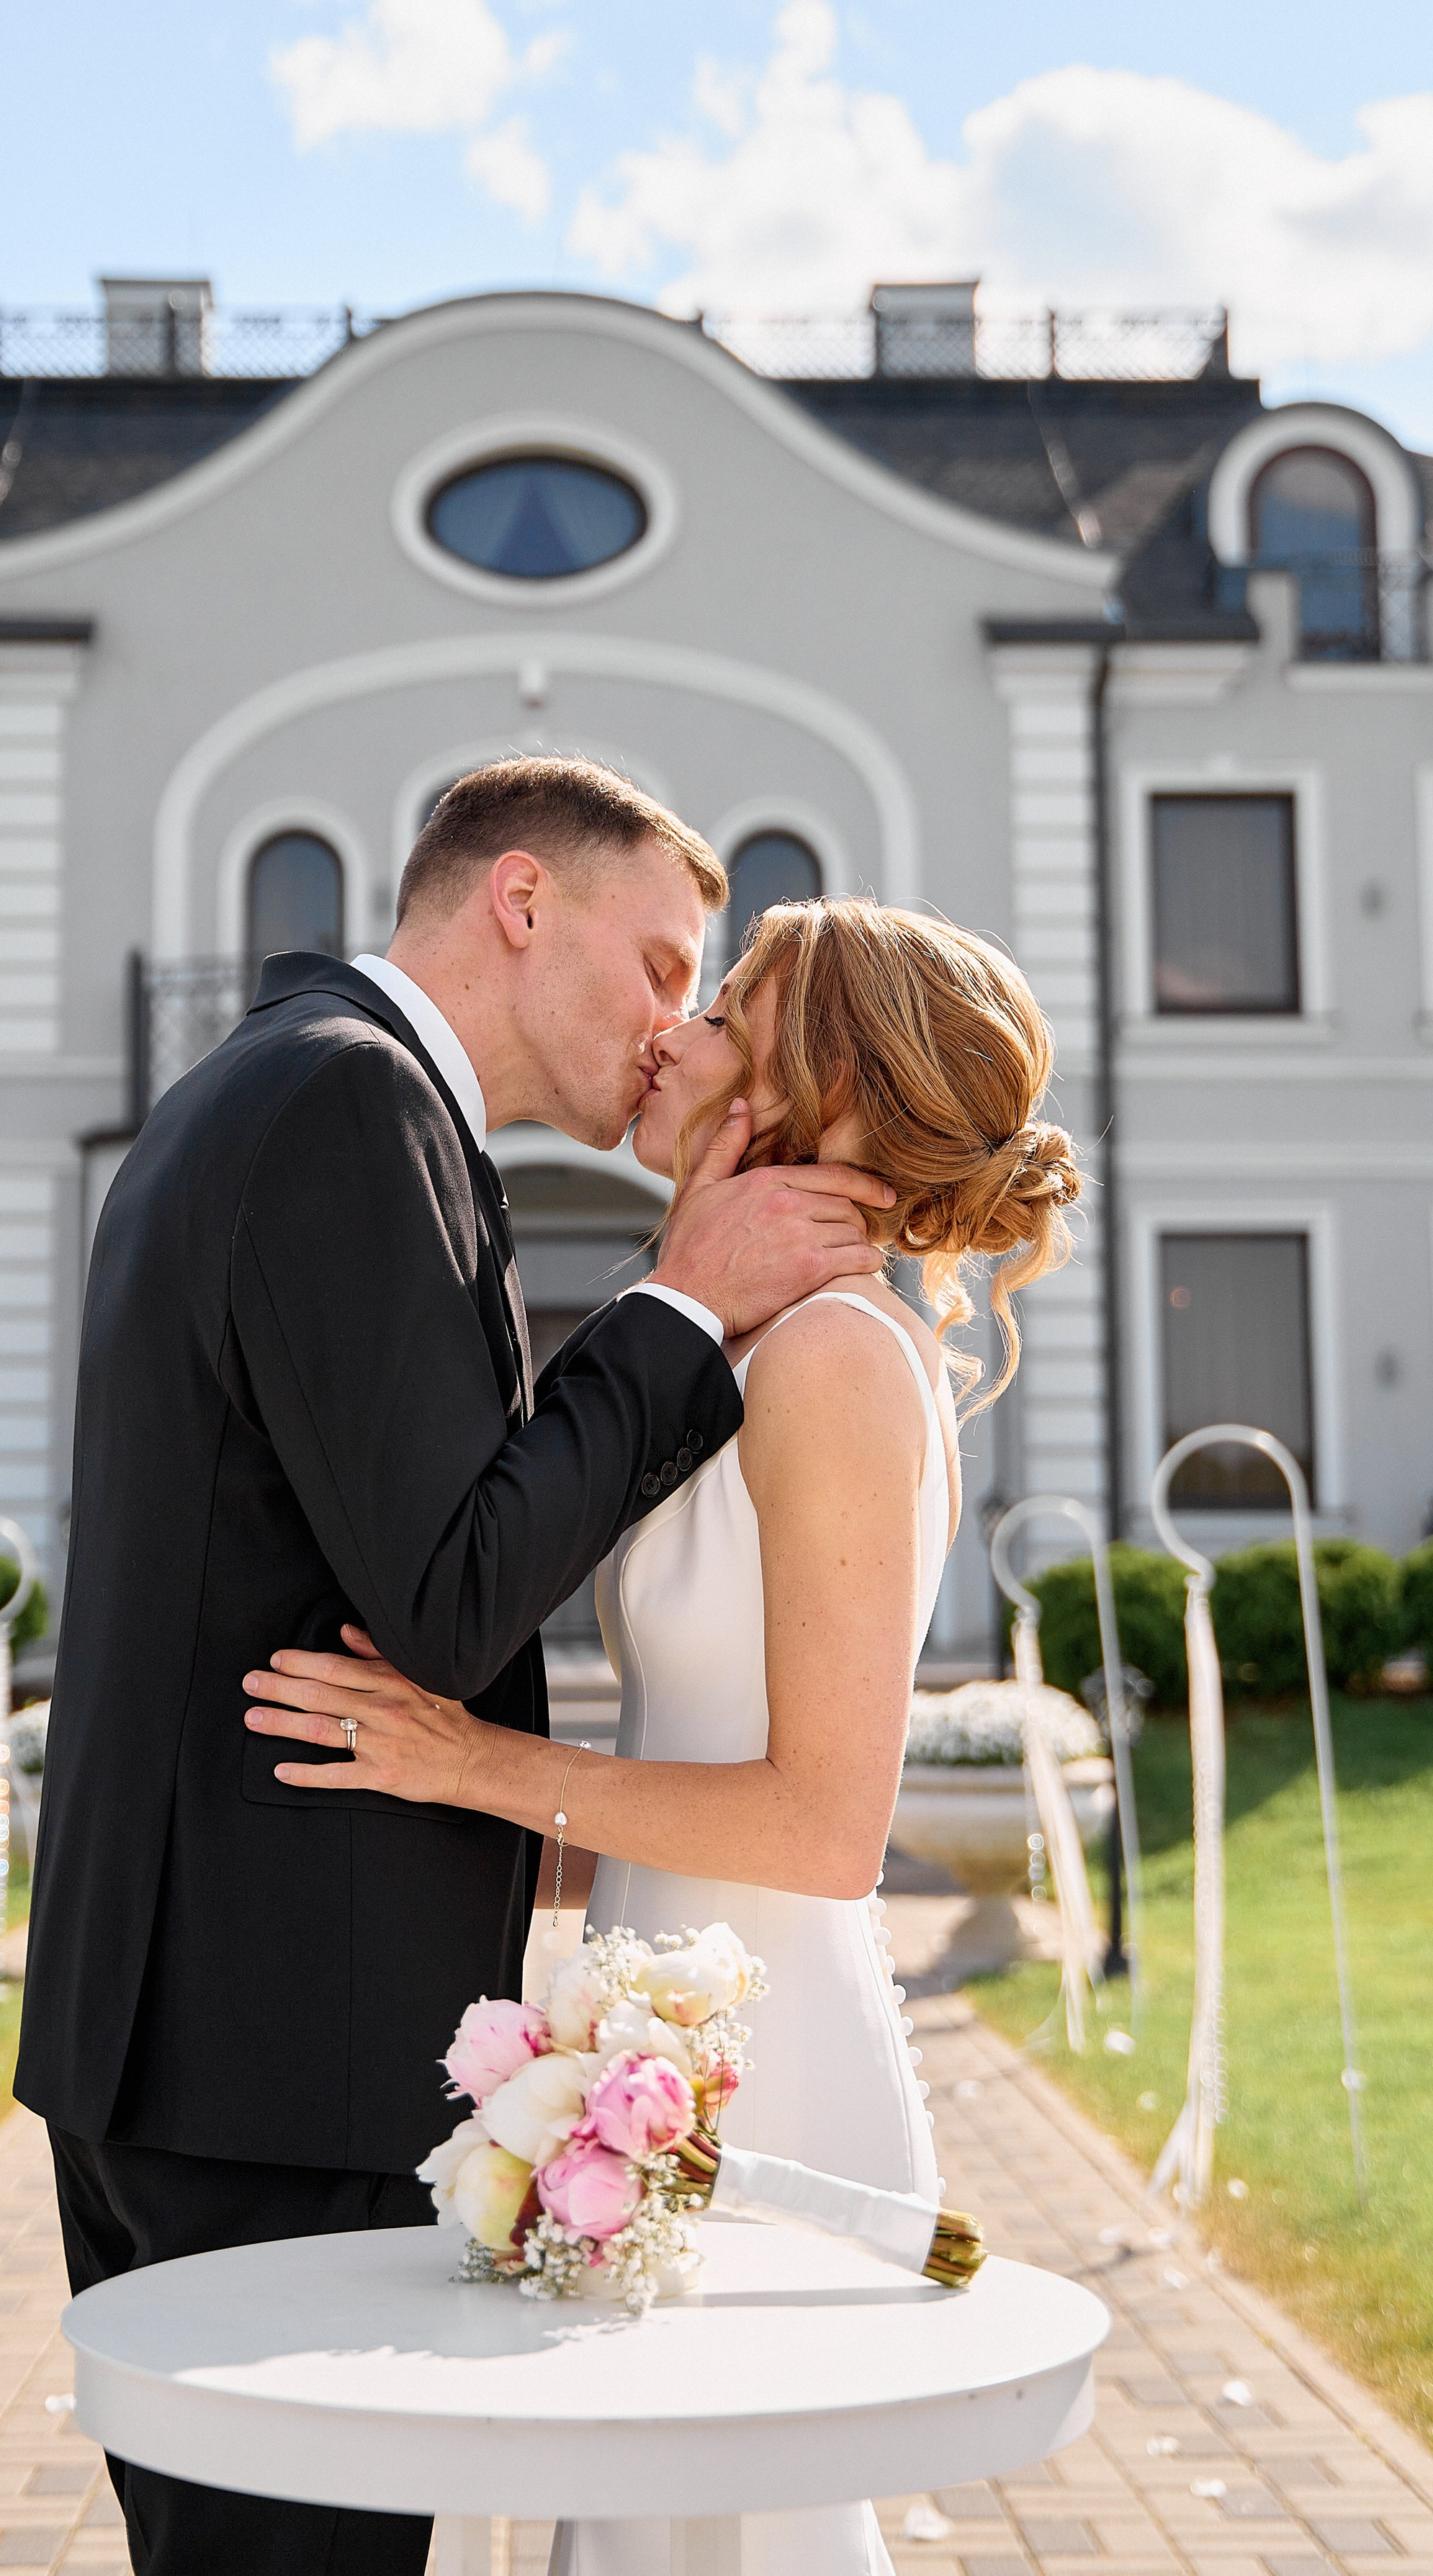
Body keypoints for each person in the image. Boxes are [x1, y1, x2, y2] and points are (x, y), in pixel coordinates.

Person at [15, 758, 896, 2576]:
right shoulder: (351, 1103)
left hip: (200, 2039)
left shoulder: (284, 1087)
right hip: (268, 2064)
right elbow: (448, 1590)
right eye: (660, 965)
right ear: (520, 901)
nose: (669, 1027)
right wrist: (675, 1303)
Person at [246, 894, 1083, 2576]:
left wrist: (464, 1762)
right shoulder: (746, 1344)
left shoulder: (836, 1360)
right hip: (650, 2035)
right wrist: (425, 1838)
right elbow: (690, 1760)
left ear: (808, 1090)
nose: (667, 1034)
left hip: (763, 2066)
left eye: (719, 1013)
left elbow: (823, 1832)